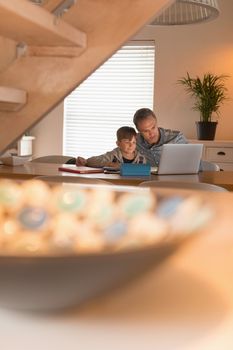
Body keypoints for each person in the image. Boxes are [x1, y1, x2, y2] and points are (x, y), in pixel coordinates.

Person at [76, 126, 147, 168]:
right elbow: (91, 161)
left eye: (134, 142)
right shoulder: (113, 155)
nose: (131, 145)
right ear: (118, 143)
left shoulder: (141, 159)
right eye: (127, 142)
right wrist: (109, 164)